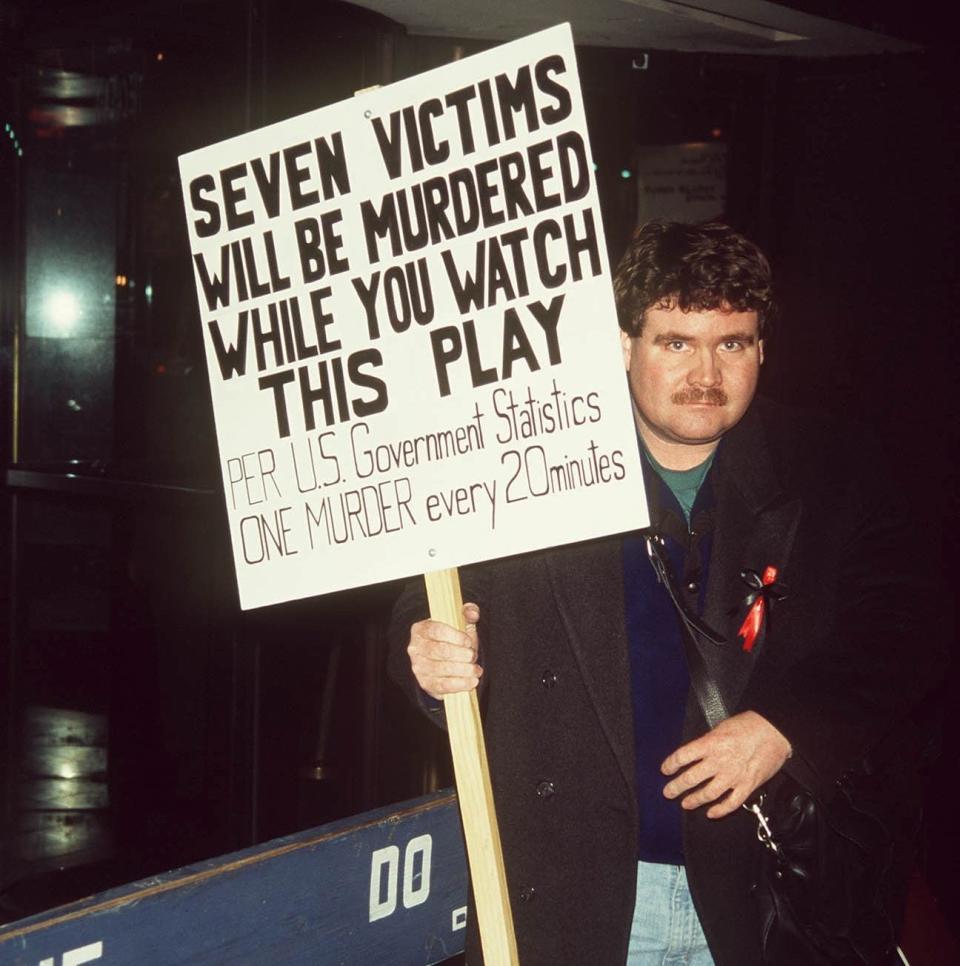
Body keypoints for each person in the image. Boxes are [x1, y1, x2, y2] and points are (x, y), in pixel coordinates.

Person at [388, 221, 941, 965]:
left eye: (732, 344)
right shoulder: (523, 463)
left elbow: (908, 626)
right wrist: (429, 656)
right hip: (581, 894)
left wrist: (784, 728)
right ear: (624, 347)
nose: (706, 374)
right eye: (676, 342)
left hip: (765, 897)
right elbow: (433, 607)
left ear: (762, 349)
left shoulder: (834, 466)